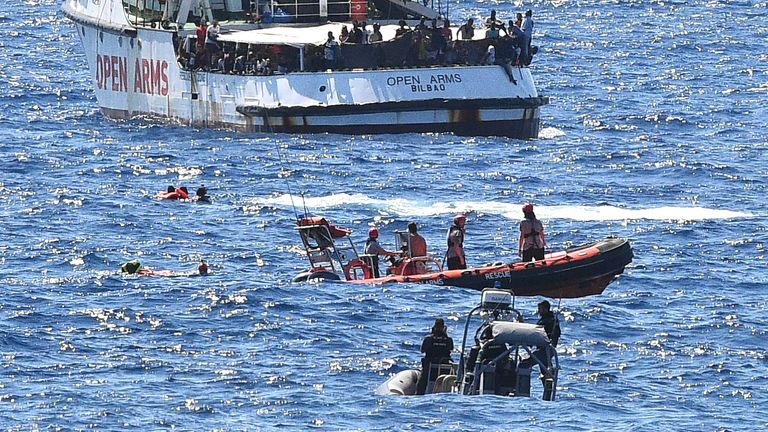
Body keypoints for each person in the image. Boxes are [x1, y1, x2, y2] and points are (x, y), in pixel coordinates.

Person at [416, 318, 454, 395]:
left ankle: (419, 393)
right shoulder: (449, 340)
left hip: (430, 367)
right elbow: (451, 348)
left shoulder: (428, 339)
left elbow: (422, 350)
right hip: (444, 368)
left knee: (422, 382)